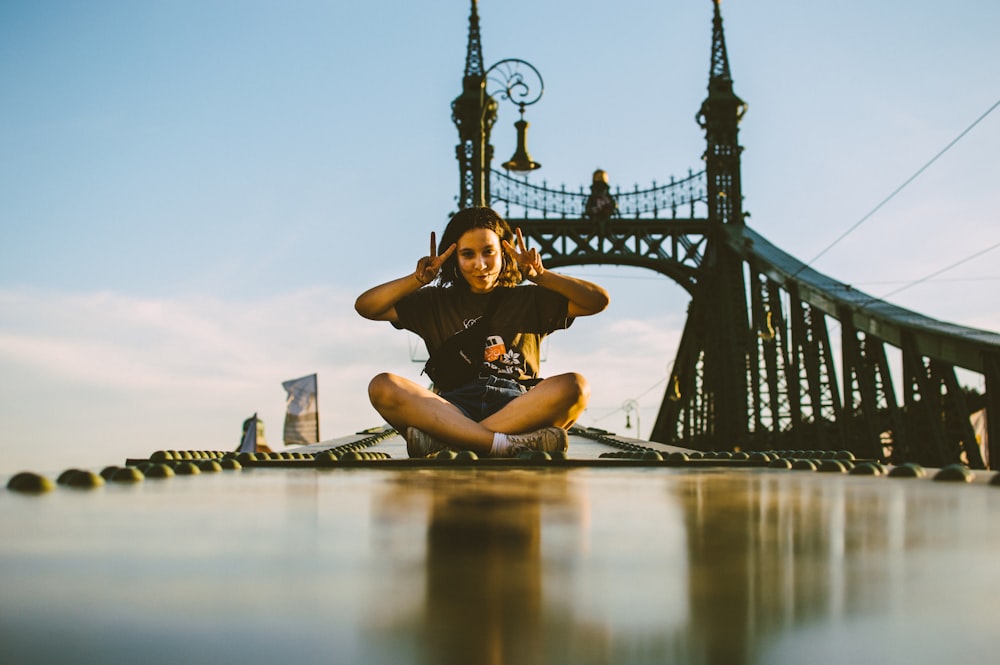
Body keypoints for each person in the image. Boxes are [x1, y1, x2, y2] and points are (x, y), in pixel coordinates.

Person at [355, 206, 610, 458]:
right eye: (468, 254)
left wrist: (541, 276)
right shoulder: (434, 302)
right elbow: (367, 306)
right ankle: (502, 444)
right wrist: (417, 280)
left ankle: (454, 441)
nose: (480, 264)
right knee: (382, 386)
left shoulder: (530, 298)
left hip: (518, 406)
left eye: (489, 252)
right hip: (450, 408)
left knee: (575, 386)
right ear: (455, 258)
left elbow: (597, 301)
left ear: (503, 252)